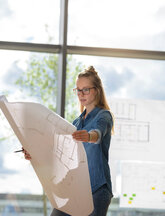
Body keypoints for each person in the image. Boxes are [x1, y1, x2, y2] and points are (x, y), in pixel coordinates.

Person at [24, 65, 114, 216]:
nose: (81, 94)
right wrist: (34, 153)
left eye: (86, 89)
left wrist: (89, 136)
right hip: (75, 189)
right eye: (78, 90)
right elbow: (58, 151)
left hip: (97, 190)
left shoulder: (104, 116)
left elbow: (98, 132)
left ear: (97, 90)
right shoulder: (76, 123)